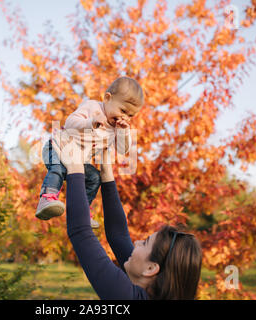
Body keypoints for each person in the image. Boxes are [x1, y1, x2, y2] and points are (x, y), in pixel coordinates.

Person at [51, 132, 203, 300]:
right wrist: (106, 175)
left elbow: (80, 233)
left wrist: (75, 168)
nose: (136, 242)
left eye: (145, 243)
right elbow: (118, 236)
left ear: (151, 269)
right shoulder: (147, 287)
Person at [35, 76, 144, 228]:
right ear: (107, 98)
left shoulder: (116, 128)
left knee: (94, 178)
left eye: (130, 115)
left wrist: (124, 133)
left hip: (78, 162)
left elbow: (122, 149)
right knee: (58, 169)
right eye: (123, 110)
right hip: (58, 148)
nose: (124, 117)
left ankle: (83, 212)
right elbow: (70, 123)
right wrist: (90, 122)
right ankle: (46, 199)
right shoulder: (93, 107)